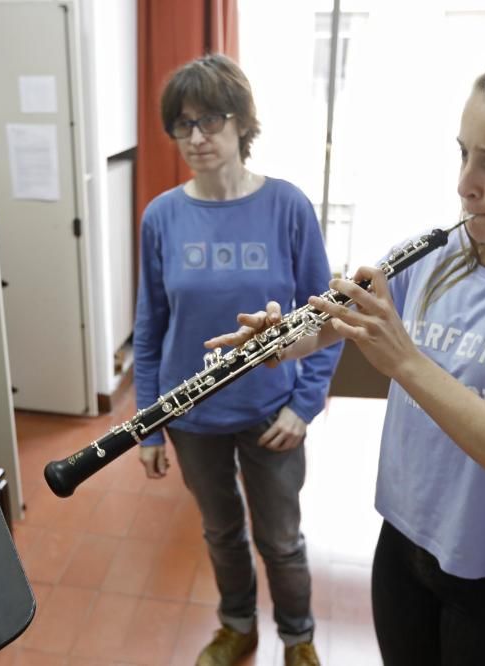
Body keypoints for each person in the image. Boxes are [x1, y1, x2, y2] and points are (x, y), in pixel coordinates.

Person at [206, 40, 485, 665]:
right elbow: (328, 329)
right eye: (464, 153)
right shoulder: (436, 255)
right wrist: (278, 343)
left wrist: (409, 364)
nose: (465, 185)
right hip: (407, 543)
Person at [133, 53, 342, 666]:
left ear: (241, 121)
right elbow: (150, 326)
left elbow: (328, 319)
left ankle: (298, 638)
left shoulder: (287, 206)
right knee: (222, 532)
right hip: (190, 415)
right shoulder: (162, 216)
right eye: (182, 124)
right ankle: (237, 627)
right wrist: (149, 423)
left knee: (280, 539)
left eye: (211, 120)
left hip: (271, 412)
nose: (196, 137)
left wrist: (306, 404)